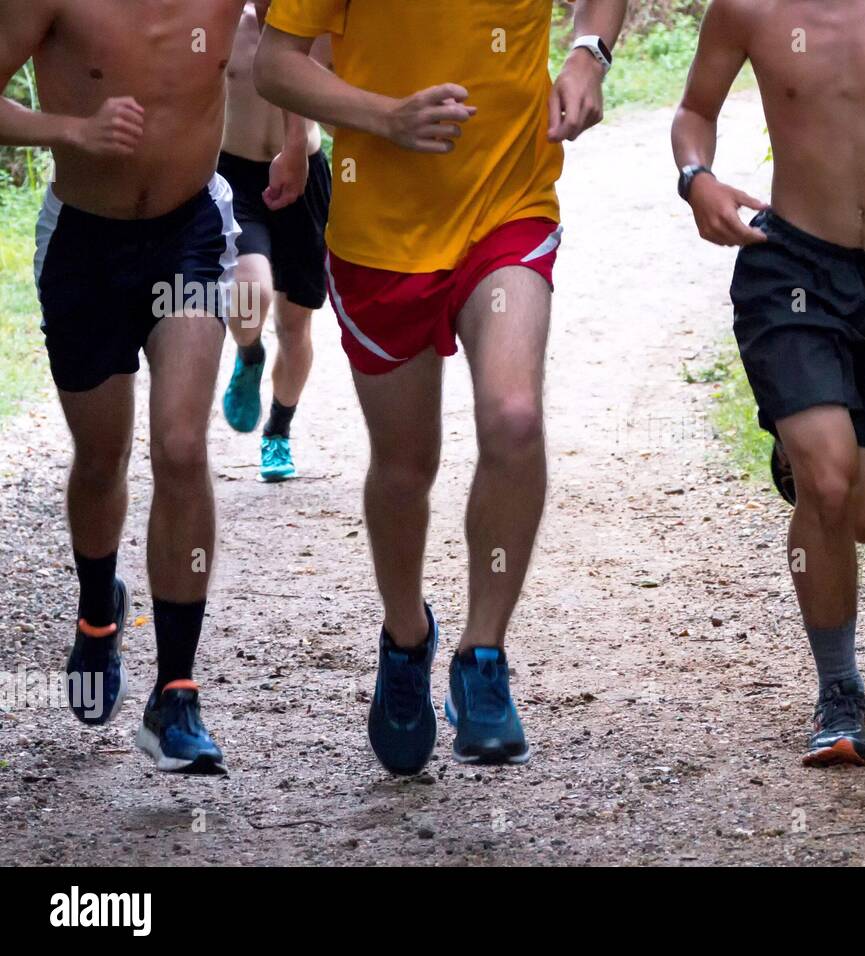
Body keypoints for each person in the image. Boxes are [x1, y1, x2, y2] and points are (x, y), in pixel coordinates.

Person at [254, 0, 627, 774]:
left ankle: (482, 655)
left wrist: (589, 49)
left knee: (515, 415)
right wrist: (386, 117)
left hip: (508, 208)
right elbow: (276, 61)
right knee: (404, 468)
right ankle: (405, 640)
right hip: (381, 239)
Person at [672, 0, 865, 766]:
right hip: (793, 270)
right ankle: (840, 694)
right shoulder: (746, 8)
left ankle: (813, 455)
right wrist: (697, 178)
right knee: (831, 480)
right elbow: (693, 111)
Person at [0, 0, 250, 773]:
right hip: (84, 242)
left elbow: (309, 35)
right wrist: (70, 130)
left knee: (181, 446)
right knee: (101, 458)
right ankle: (98, 613)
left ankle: (176, 692)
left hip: (191, 237)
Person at [219, 1, 333, 482]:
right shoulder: (223, 22)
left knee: (295, 324)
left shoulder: (318, 21)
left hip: (305, 174)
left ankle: (278, 433)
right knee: (250, 292)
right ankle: (248, 354)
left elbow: (340, 87)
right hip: (238, 178)